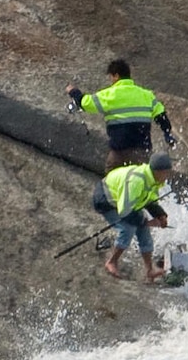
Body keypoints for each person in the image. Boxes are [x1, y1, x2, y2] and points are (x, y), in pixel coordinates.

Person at [66, 59, 176, 172]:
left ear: (116, 76)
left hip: (119, 152)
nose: (111, 81)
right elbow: (161, 115)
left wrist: (73, 92)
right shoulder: (146, 95)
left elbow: (85, 103)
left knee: (110, 183)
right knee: (141, 183)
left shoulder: (110, 94)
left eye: (111, 77)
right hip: (142, 152)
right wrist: (167, 132)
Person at [92, 151, 174, 281]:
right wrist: (146, 221)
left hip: (125, 203)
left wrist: (160, 215)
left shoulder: (153, 180)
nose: (168, 175)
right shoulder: (136, 180)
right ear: (158, 171)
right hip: (106, 200)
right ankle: (112, 262)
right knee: (128, 228)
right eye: (166, 172)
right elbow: (124, 211)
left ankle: (149, 270)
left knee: (143, 230)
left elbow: (150, 201)